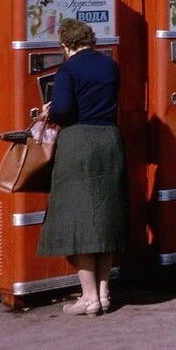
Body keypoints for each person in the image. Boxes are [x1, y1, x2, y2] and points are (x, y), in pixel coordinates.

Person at [37, 18, 128, 315]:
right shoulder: (109, 65)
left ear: (66, 44)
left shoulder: (68, 69)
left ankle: (87, 298)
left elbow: (63, 111)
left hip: (79, 143)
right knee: (104, 219)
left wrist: (47, 110)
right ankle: (103, 294)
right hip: (110, 140)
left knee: (77, 221)